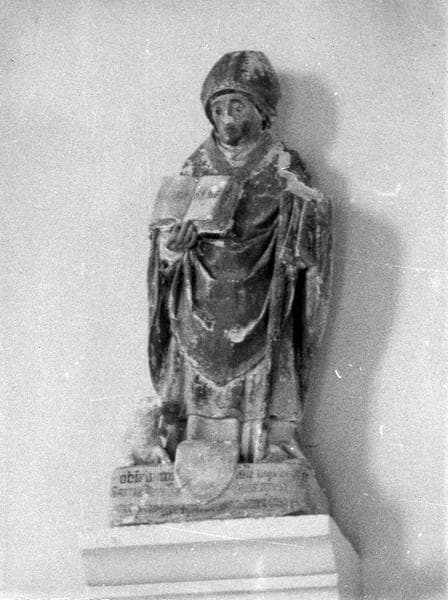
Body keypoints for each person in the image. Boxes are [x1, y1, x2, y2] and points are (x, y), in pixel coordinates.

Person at [146, 50, 332, 464]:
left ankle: (268, 444)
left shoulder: (284, 165)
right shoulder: (195, 167)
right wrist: (173, 246)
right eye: (218, 109)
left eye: (237, 106)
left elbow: (309, 238)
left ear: (261, 110)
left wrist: (303, 213)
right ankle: (184, 440)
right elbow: (164, 252)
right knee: (191, 367)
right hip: (198, 298)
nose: (226, 118)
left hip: (264, 296)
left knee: (269, 358)